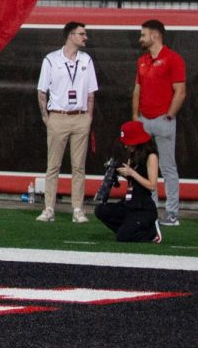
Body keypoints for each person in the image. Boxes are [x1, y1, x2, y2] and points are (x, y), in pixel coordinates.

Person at [35, 22, 98, 224]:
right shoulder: (51, 60)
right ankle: (49, 208)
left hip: (80, 117)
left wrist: (88, 118)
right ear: (71, 36)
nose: (85, 37)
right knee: (53, 166)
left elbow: (91, 93)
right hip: (58, 117)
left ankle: (78, 209)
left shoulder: (86, 60)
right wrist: (47, 118)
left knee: (79, 167)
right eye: (82, 34)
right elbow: (41, 92)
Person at [133, 19, 186, 226]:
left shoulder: (173, 59)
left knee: (167, 167)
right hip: (144, 120)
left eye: (143, 34)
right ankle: (151, 210)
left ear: (154, 35)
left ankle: (172, 213)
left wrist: (169, 115)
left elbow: (180, 91)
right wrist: (135, 117)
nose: (141, 38)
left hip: (162, 120)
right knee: (145, 167)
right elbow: (137, 89)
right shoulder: (142, 61)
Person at [94, 120, 163, 243]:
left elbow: (152, 185)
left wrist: (132, 173)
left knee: (122, 238)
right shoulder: (134, 154)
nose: (126, 146)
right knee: (100, 210)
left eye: (129, 142)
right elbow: (133, 179)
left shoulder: (151, 156)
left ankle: (152, 232)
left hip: (143, 208)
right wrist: (118, 172)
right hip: (129, 204)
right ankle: (128, 229)